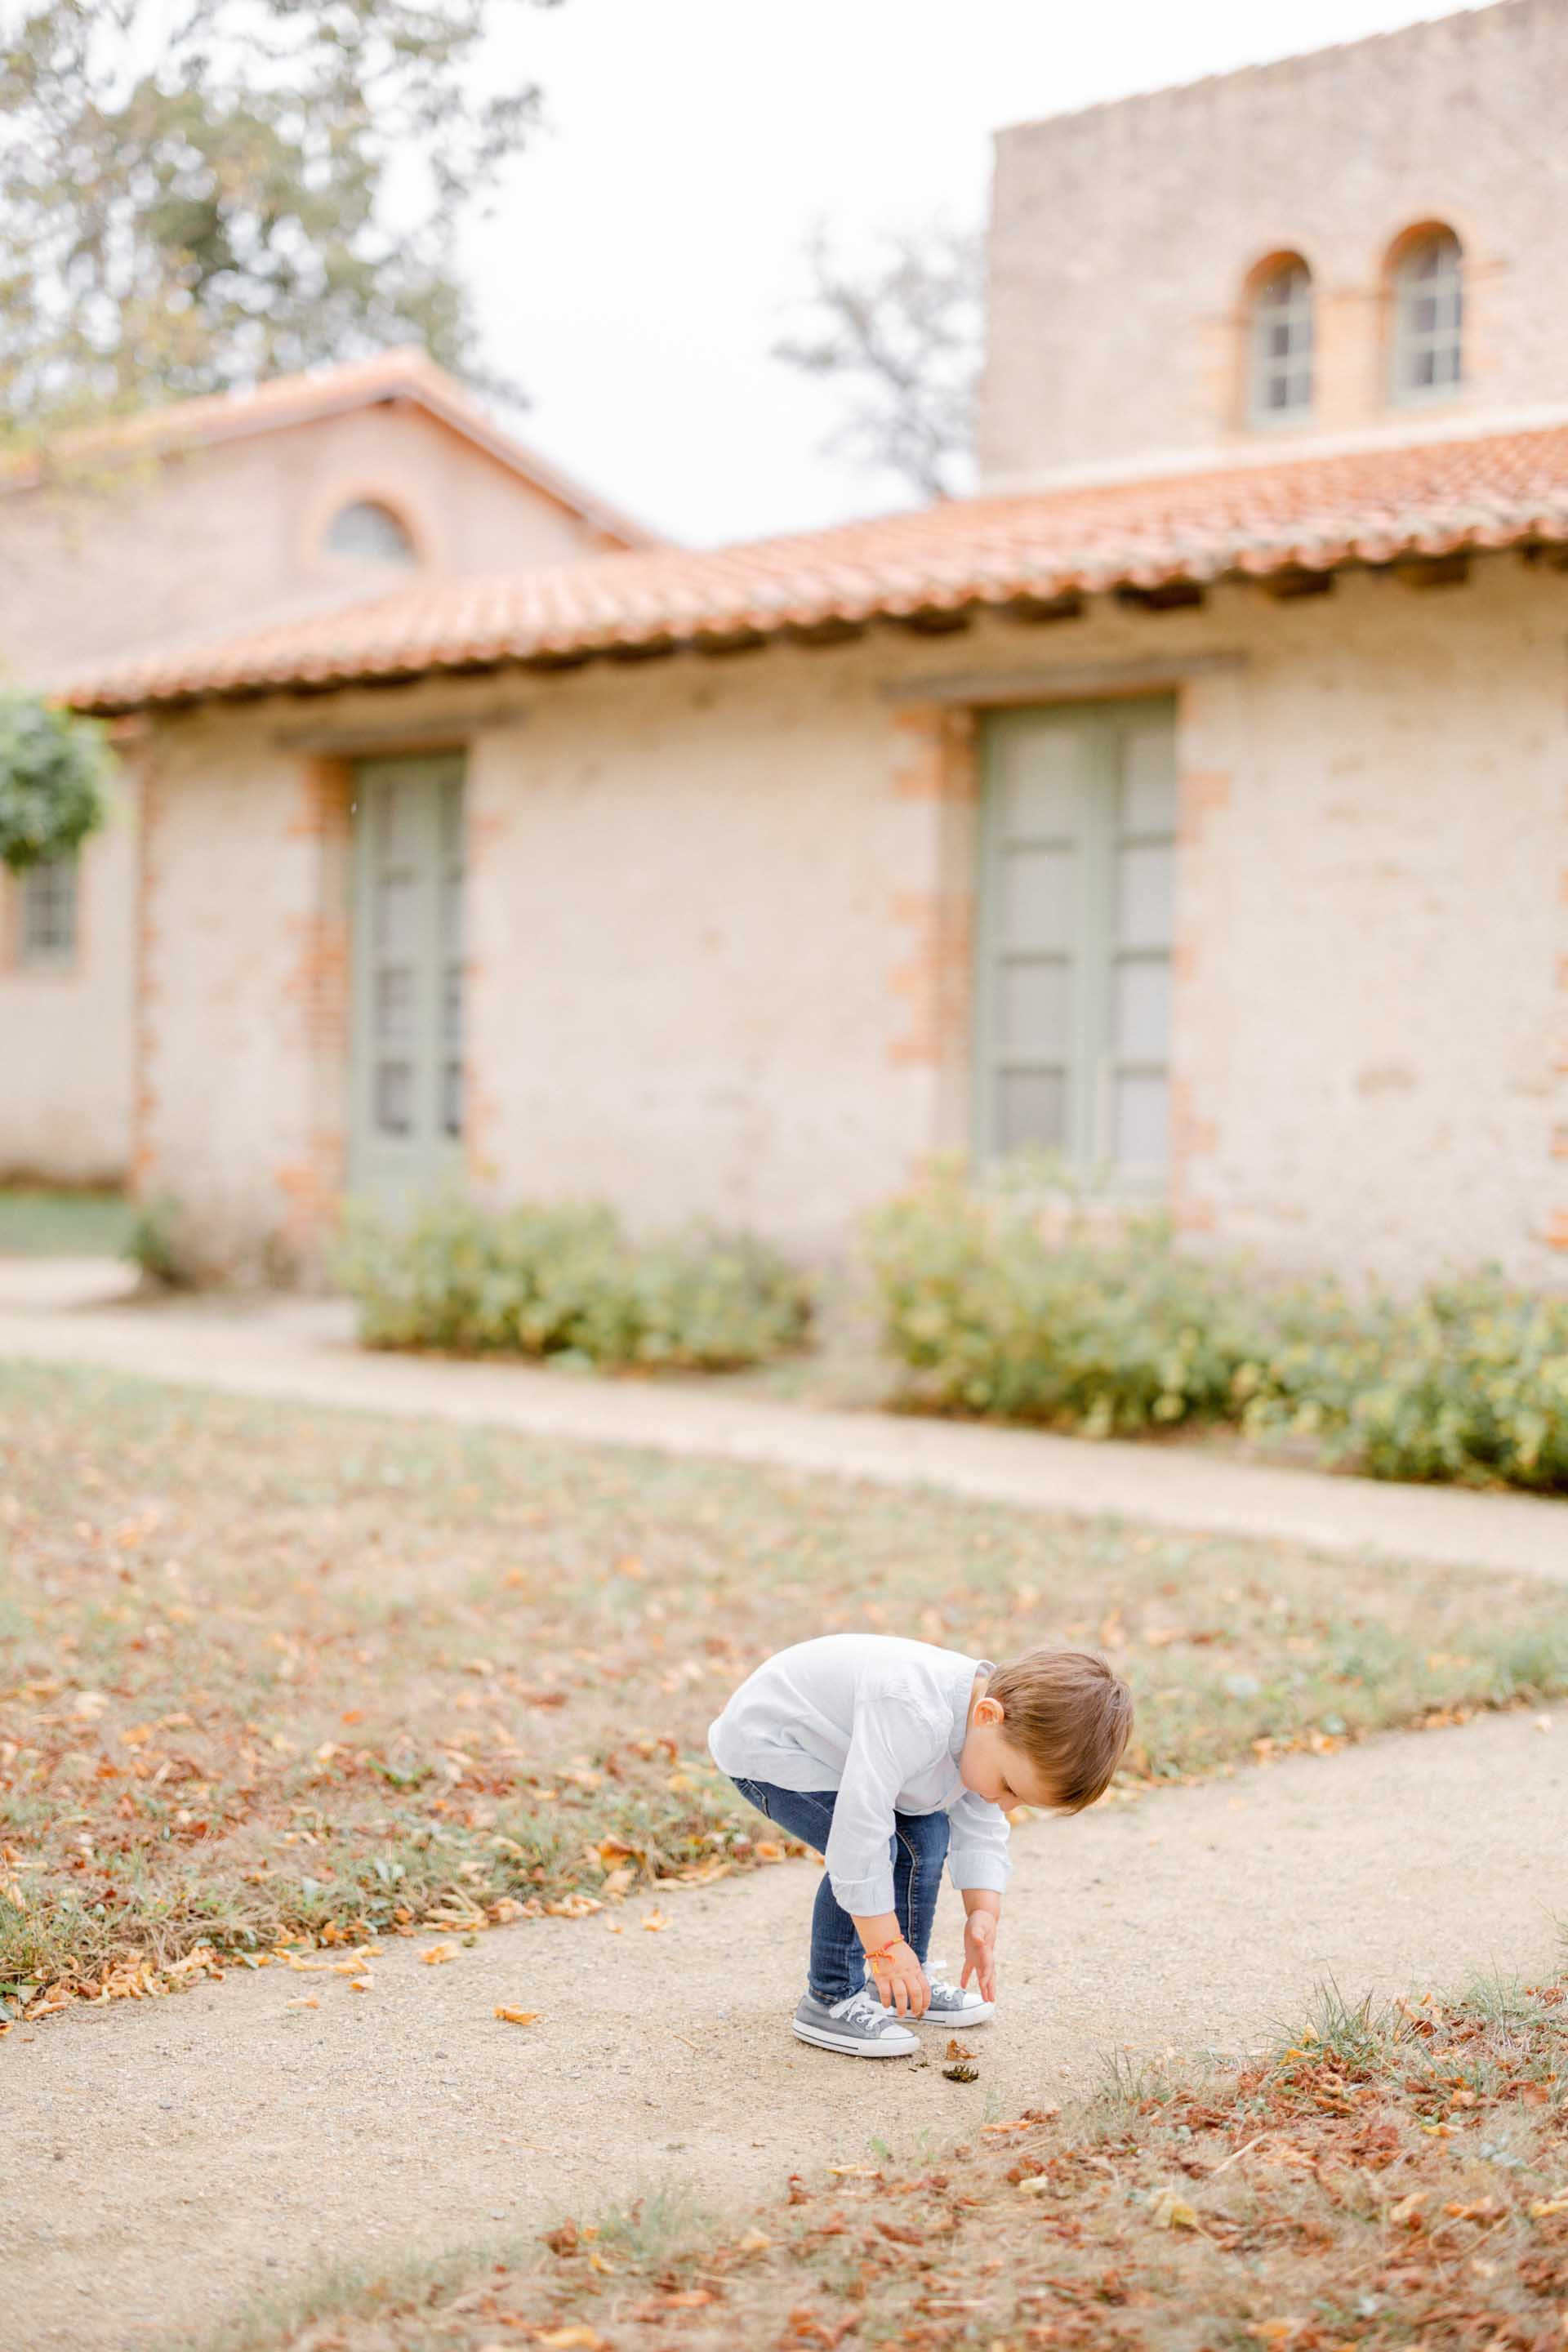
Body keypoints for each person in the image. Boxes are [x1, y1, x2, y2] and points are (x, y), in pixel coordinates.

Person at [709, 1633, 1133, 2058]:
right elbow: (859, 1838)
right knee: (879, 1848)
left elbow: (982, 1820)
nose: (1006, 1804)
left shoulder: (987, 1732)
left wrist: (983, 1911)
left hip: (842, 1748)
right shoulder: (911, 1711)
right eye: (1009, 1786)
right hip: (772, 1744)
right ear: (988, 1716)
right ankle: (829, 1998)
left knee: (926, 1834)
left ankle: (901, 1986)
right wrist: (884, 1947)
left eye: (1021, 1800)